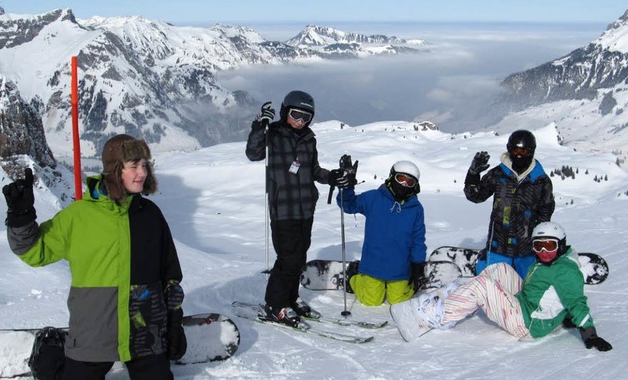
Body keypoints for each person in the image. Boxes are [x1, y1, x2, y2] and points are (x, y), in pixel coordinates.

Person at [2, 135, 186, 379]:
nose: (142, 172)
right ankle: (50, 356)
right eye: (134, 165)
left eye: (145, 164)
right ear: (114, 169)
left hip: (145, 333)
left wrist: (174, 323)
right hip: (94, 332)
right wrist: (21, 216)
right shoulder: (79, 216)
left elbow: (170, 275)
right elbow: (34, 251)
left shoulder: (150, 215)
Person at [391, 222, 613, 352]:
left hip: (528, 324)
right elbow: (557, 296)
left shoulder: (565, 271)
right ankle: (458, 298)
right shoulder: (553, 261)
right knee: (500, 269)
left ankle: (434, 317)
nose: (543, 251)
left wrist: (589, 333)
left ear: (561, 244)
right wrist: (561, 313)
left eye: (550, 245)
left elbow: (576, 301)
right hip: (527, 303)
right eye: (539, 245)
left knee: (482, 286)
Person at [245, 90, 350, 327]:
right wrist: (259, 125)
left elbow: (313, 170)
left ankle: (290, 298)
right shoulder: (273, 134)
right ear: (285, 111)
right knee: (288, 258)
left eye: (306, 117)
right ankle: (275, 304)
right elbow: (253, 153)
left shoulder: (309, 139)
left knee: (299, 256)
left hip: (305, 208)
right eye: (295, 115)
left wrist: (332, 177)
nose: (300, 121)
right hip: (283, 209)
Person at [464, 129, 555, 279]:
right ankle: (482, 263)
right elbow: (475, 195)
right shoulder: (499, 174)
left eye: (523, 151)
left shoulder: (541, 181)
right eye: (515, 150)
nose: (519, 155)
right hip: (498, 247)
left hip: (526, 251)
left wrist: (542, 245)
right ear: (509, 149)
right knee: (494, 289)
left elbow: (545, 215)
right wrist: (473, 174)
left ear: (531, 151)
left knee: (526, 289)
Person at [336, 159, 427, 306]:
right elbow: (349, 205)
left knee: (398, 301)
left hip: (400, 266)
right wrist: (347, 187)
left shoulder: (416, 209)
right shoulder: (374, 198)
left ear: (415, 186)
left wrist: (418, 264)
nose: (404, 185)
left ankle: (411, 284)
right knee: (372, 300)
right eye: (401, 179)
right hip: (374, 263)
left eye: (409, 183)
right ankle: (354, 275)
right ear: (392, 177)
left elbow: (418, 239)